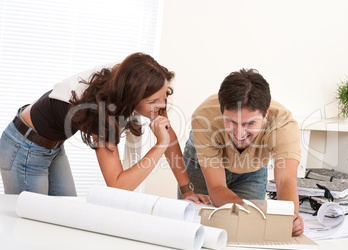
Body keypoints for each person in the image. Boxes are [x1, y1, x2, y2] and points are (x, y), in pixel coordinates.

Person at [0, 52, 209, 204]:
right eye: (154, 101)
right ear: (132, 97)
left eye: (164, 97)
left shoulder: (131, 78)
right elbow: (117, 185)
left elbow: (167, 132)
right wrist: (159, 146)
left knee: (67, 215)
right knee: (33, 227)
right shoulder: (102, 111)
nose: (162, 106)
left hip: (51, 147)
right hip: (25, 149)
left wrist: (187, 190)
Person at [183, 68, 304, 235]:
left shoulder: (283, 125)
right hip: (202, 166)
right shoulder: (204, 116)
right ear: (221, 110)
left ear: (266, 113)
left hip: (252, 168)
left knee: (249, 231)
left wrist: (289, 218)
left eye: (249, 124)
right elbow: (217, 187)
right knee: (196, 229)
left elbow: (285, 181)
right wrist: (243, 206)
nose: (239, 134)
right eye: (231, 122)